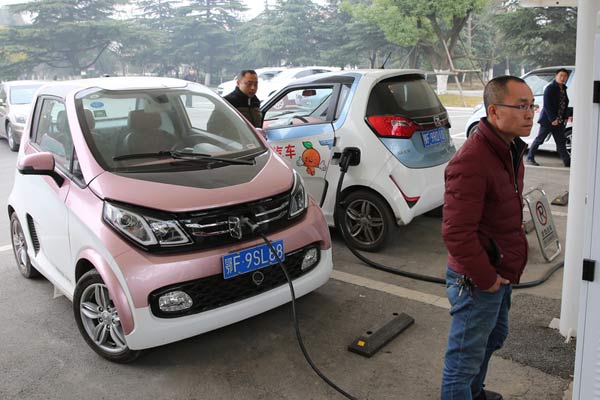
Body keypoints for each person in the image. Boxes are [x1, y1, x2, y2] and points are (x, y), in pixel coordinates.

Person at [441, 76, 534, 400]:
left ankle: (474, 392)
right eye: (521, 106)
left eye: (532, 105)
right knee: (463, 359)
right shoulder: (472, 160)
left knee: (494, 337)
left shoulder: (509, 150)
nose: (530, 113)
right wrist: (487, 279)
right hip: (478, 278)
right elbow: (456, 233)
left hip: (500, 269)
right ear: (494, 111)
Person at [526, 68, 571, 167]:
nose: (563, 78)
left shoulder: (563, 89)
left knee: (561, 142)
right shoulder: (550, 88)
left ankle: (567, 162)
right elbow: (547, 105)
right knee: (540, 139)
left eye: (565, 76)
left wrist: (563, 118)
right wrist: (553, 119)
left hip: (559, 121)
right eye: (561, 76)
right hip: (548, 120)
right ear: (556, 76)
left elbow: (564, 105)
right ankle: (530, 157)